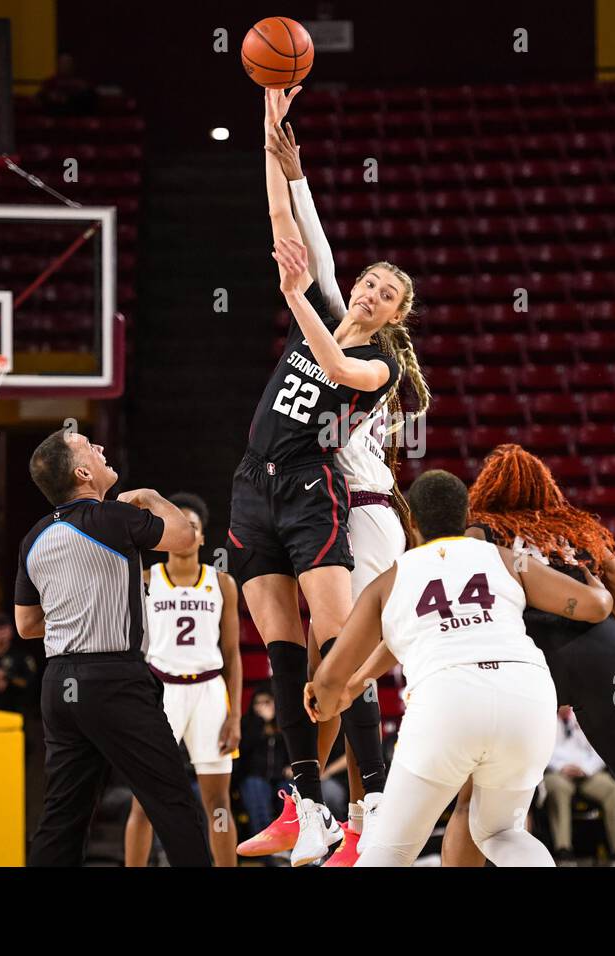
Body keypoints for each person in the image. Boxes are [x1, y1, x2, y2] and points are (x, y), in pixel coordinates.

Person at [226, 86, 409, 866]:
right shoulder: (330, 299)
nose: (370, 290)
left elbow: (332, 361)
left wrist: (297, 296)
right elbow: (286, 227)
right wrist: (272, 133)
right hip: (251, 480)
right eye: (368, 280)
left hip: (311, 482)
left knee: (338, 645)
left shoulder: (382, 360)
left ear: (397, 315)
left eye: (388, 292)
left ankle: (374, 807)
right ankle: (307, 807)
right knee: (281, 652)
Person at [413, 445, 615, 867]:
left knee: (474, 805)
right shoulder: (580, 534)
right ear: (547, 489)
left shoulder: (479, 535)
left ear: (486, 490)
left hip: (528, 666)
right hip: (607, 660)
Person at [307, 470, 615, 866]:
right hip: (526, 697)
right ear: (468, 515)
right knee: (502, 832)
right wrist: (600, 589)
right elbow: (595, 607)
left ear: (410, 522)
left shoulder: (390, 580)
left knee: (390, 850)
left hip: (446, 700)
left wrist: (323, 694)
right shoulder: (505, 559)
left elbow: (332, 680)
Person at [15, 428, 211, 867]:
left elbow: (27, 625)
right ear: (84, 472)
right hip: (113, 681)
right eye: (90, 446)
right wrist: (156, 497)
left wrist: (75, 611)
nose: (102, 447)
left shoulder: (33, 537)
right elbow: (183, 538)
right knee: (172, 801)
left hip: (58, 685)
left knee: (62, 817)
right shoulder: (113, 518)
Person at [125, 492, 242, 868]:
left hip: (209, 691)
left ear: (203, 537)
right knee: (144, 801)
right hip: (162, 691)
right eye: (180, 524)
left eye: (194, 526)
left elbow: (233, 654)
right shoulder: (145, 579)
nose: (187, 531)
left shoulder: (222, 583)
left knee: (218, 804)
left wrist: (236, 714)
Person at [543, 706, 615, 864]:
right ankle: (563, 847)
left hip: (586, 772)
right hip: (557, 772)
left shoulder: (584, 717)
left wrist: (586, 769)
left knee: (612, 789)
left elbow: (600, 749)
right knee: (559, 789)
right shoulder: (546, 720)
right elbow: (542, 752)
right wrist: (562, 767)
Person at [235, 690, 292, 845]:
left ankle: (289, 845)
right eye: (258, 703)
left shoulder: (284, 724)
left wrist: (290, 766)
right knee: (257, 792)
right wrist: (260, 723)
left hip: (280, 777)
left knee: (289, 794)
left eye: (267, 702)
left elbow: (292, 751)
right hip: (254, 776)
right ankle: (267, 848)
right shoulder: (246, 725)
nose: (262, 707)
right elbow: (244, 750)